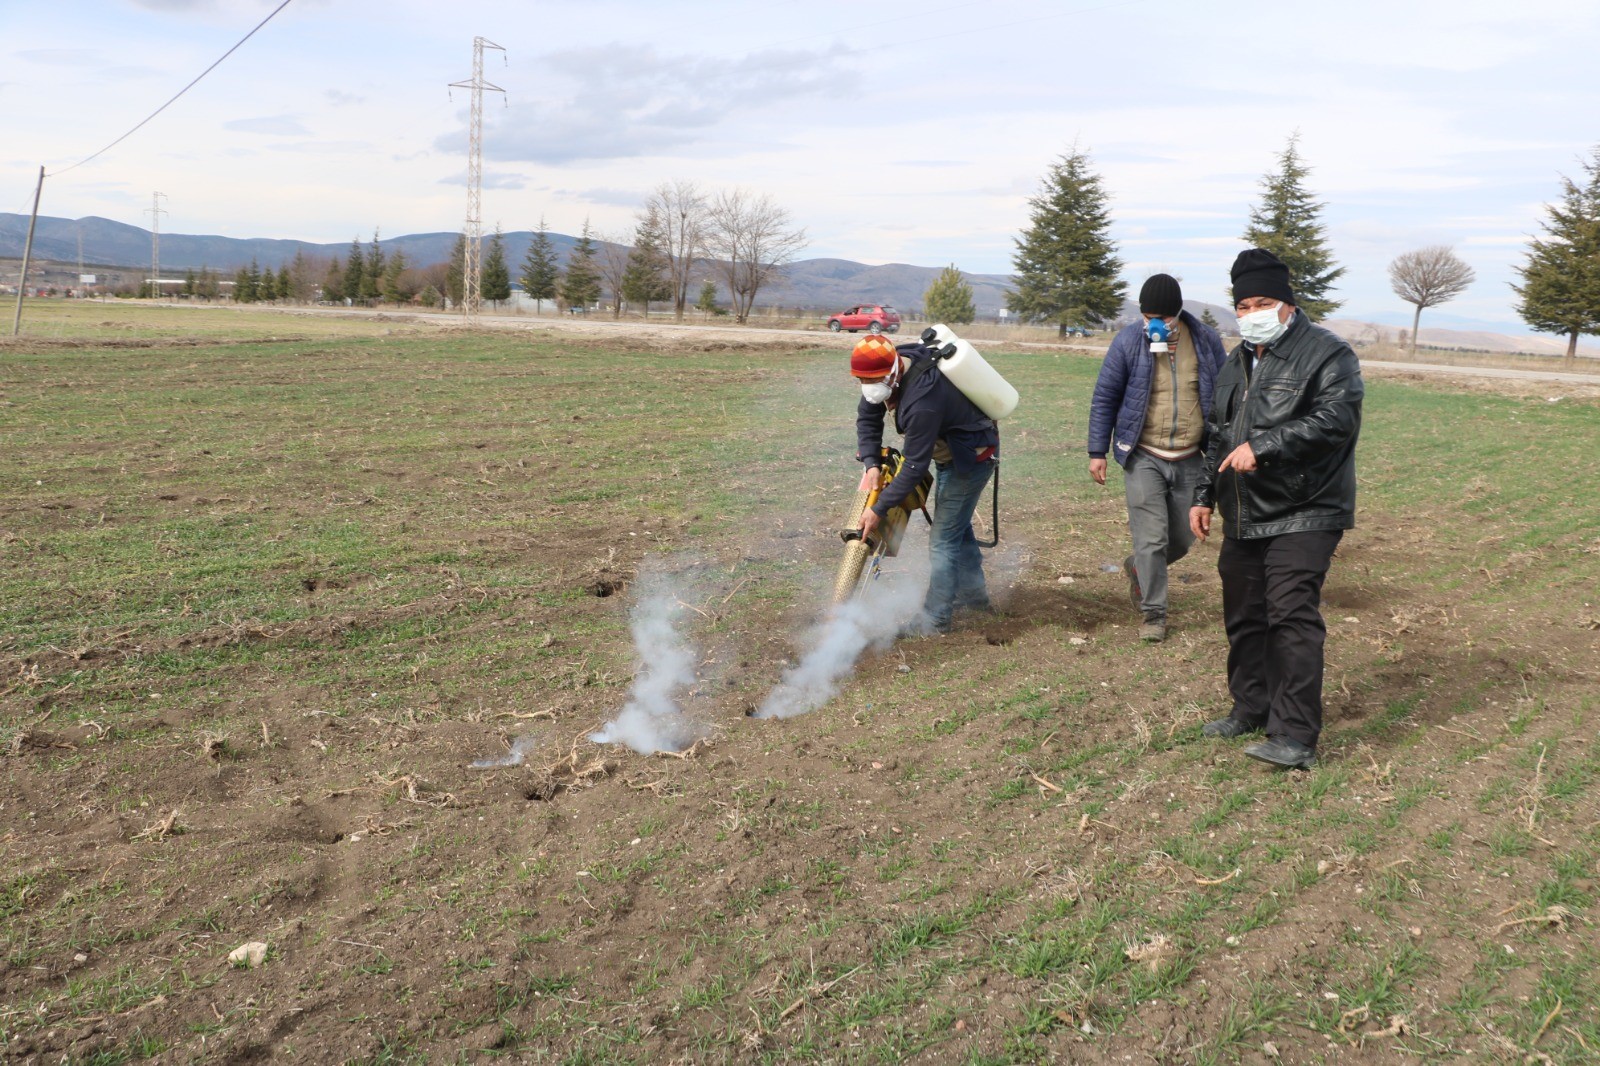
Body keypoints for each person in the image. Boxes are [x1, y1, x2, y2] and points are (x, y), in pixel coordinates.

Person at [1189, 249, 1364, 769]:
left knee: (1290, 617)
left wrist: (1266, 447)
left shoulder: (1328, 354)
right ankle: (1251, 708)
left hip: (1305, 508)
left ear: (1287, 305)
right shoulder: (1235, 360)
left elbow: (1337, 419)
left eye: (1262, 303)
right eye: (1242, 305)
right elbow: (1217, 436)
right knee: (1245, 617)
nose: (1251, 314)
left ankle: (1295, 736)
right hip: (1243, 511)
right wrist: (1203, 495)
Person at [1087, 274, 1228, 643]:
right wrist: (1097, 451)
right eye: (1147, 315)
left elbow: (1226, 397)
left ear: (1177, 313)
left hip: (1190, 456)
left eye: (1161, 317)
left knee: (1182, 539)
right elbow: (1105, 397)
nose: (1154, 323)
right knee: (1151, 539)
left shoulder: (1206, 340)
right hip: (1143, 454)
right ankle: (1154, 614)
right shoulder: (1128, 341)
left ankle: (1139, 569)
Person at [851, 333, 999, 634]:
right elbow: (868, 419)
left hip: (970, 459)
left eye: (874, 380)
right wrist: (872, 463)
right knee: (956, 527)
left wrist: (878, 508)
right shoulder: (882, 375)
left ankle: (936, 619)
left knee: (943, 541)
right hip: (947, 452)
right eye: (862, 381)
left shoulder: (923, 400)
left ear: (894, 372)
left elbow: (914, 466)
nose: (868, 387)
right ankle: (974, 597)